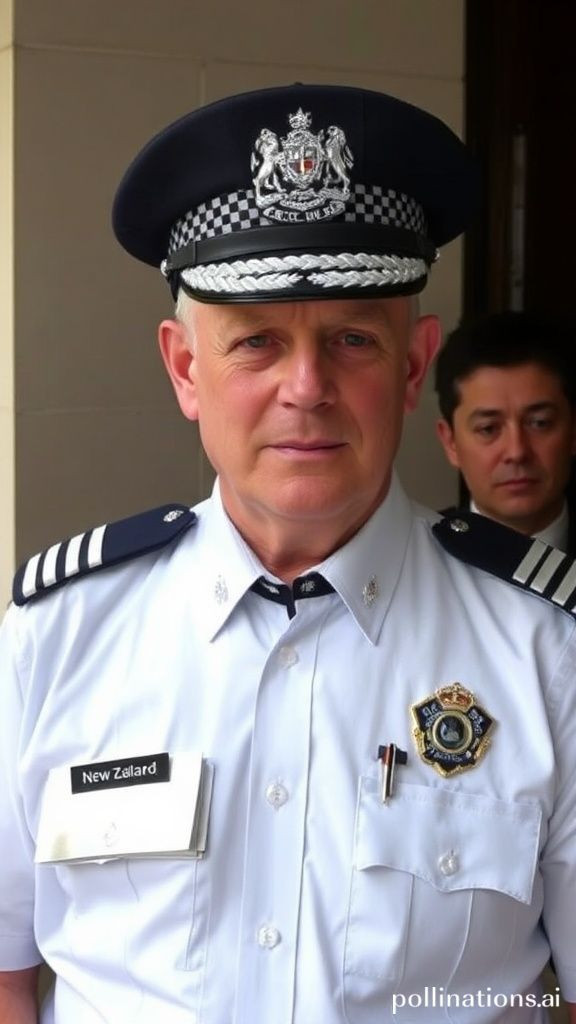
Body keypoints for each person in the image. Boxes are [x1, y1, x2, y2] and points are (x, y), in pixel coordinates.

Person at [1, 83, 576, 1024]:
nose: (306, 387)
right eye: (257, 342)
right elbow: (6, 975)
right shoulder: (59, 634)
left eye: (352, 338)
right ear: (186, 368)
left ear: (413, 366)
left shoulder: (545, 647)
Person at [435, 311, 576, 551]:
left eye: (539, 423)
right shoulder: (412, 554)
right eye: (488, 428)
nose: (517, 451)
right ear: (450, 442)